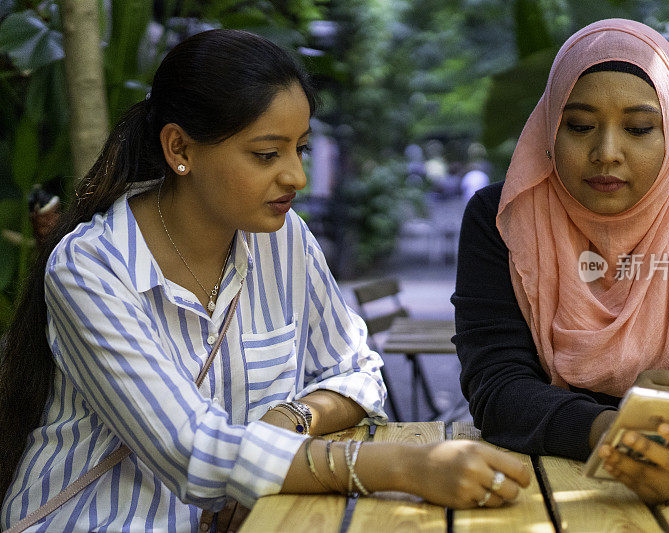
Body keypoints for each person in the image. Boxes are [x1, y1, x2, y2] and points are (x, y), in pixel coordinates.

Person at [0, 29, 529, 532]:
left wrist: (285, 420)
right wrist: (407, 467)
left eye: (300, 148)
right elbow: (193, 451)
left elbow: (358, 369)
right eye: (266, 154)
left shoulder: (283, 237)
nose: (296, 176)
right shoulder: (93, 266)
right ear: (179, 149)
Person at [452, 19, 669, 505]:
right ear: (550, 125)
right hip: (525, 488)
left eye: (640, 128)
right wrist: (613, 431)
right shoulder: (502, 218)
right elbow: (497, 386)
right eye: (579, 126)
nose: (606, 153)